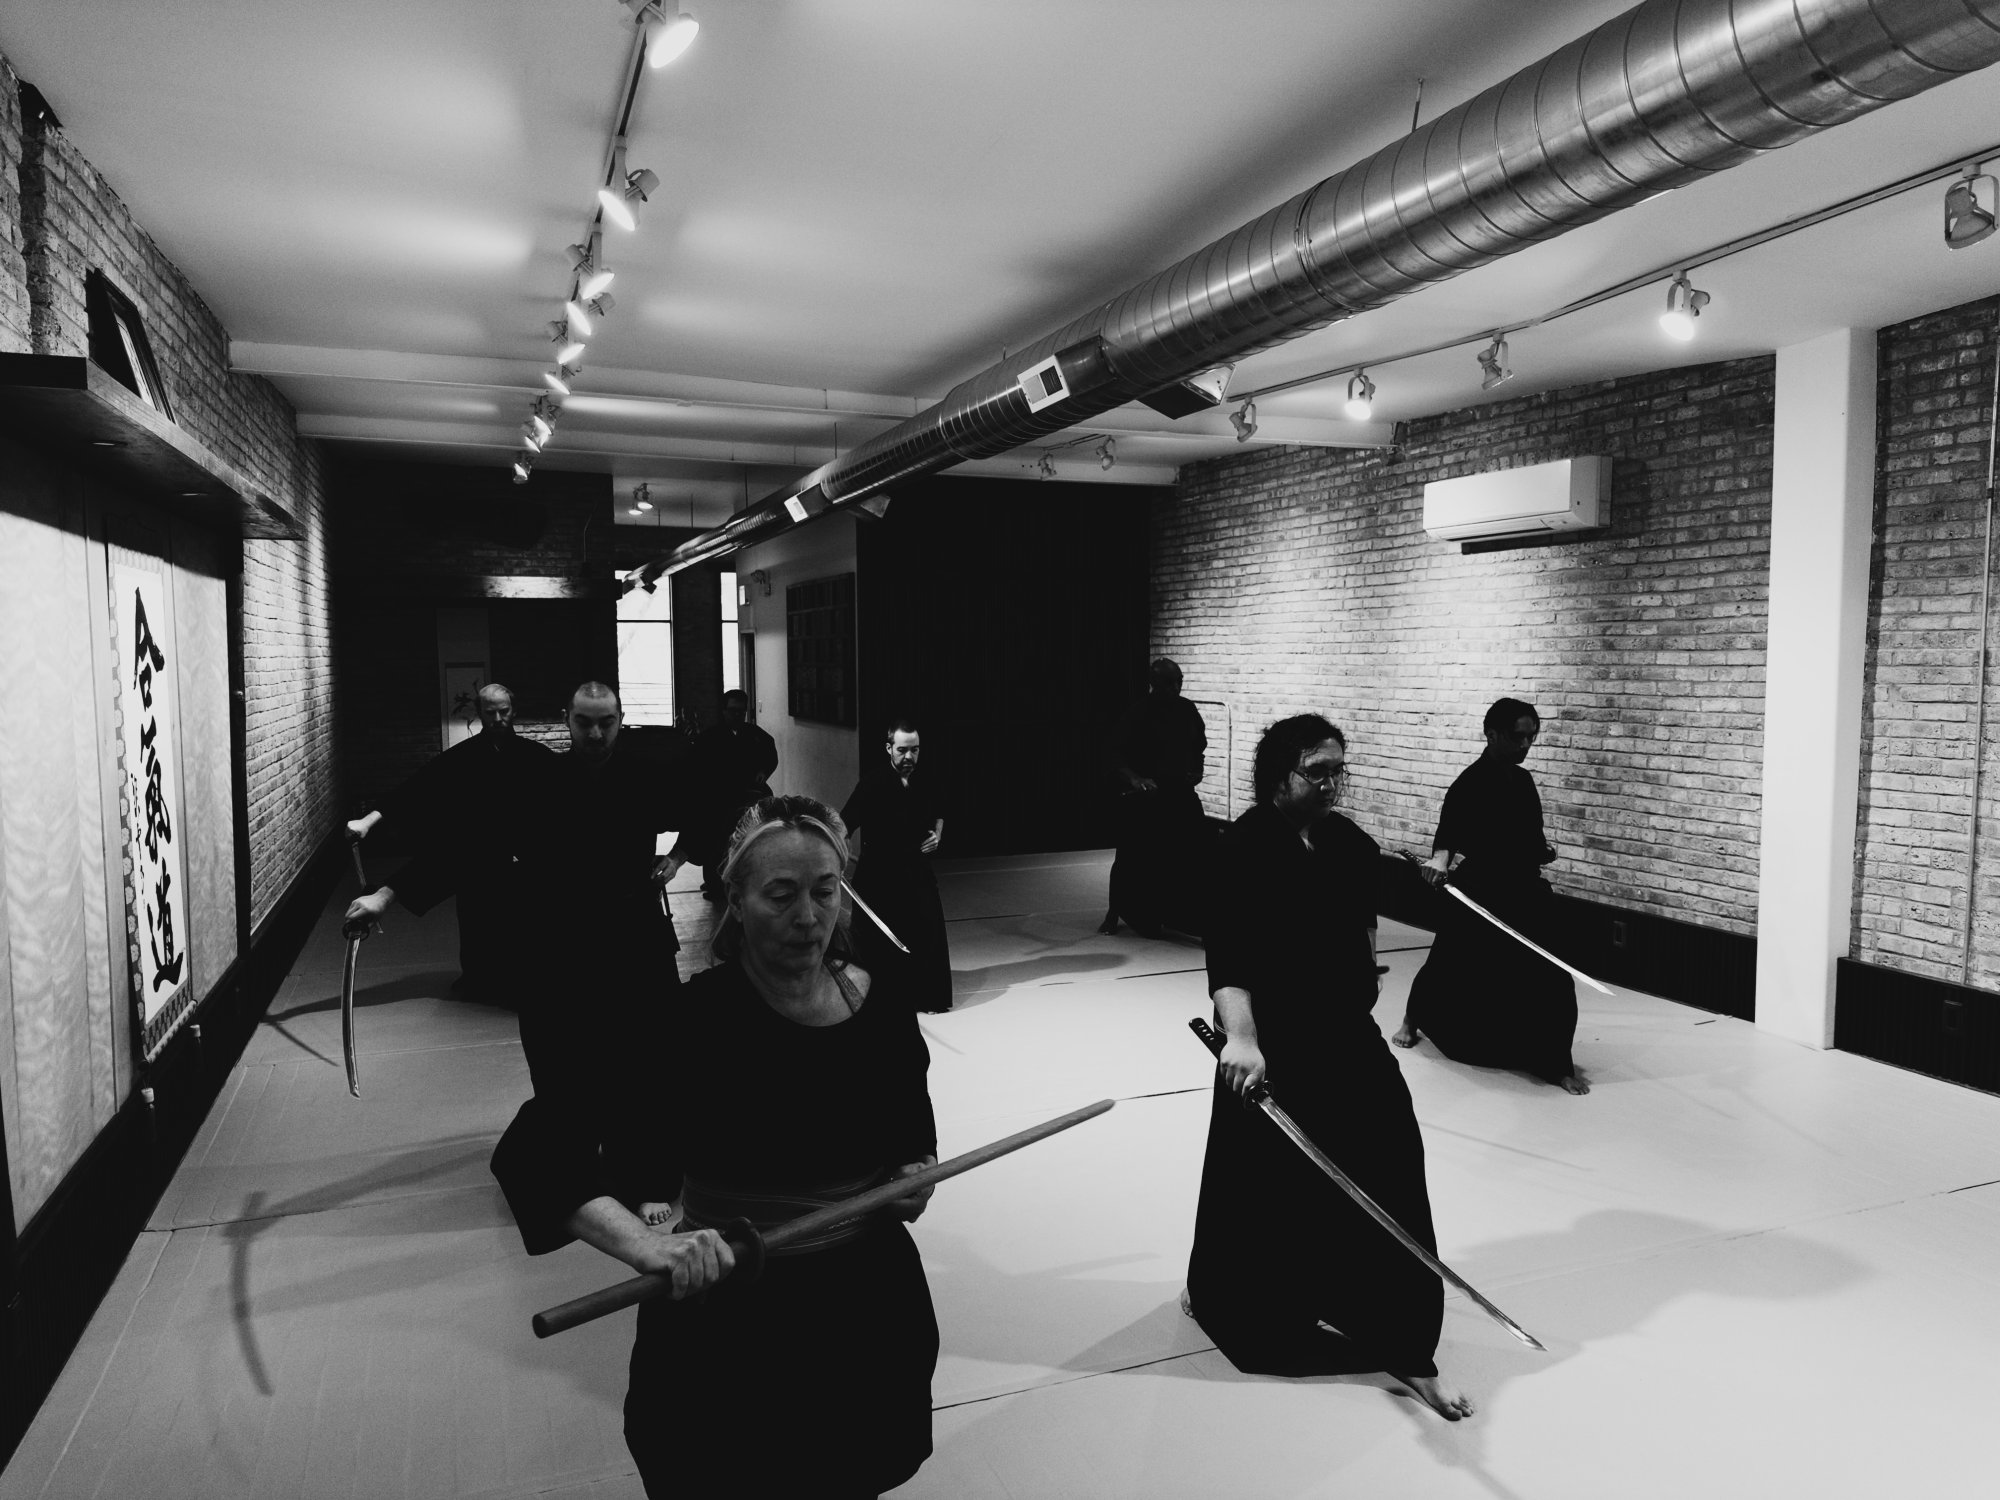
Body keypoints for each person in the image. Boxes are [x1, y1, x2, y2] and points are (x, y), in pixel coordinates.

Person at [490, 795, 940, 1498]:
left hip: (866, 1308)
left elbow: (911, 1132)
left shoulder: (882, 1008)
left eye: (825, 892)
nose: (808, 917)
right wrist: (647, 1246)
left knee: (850, 1476)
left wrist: (915, 1176)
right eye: (781, 895)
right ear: (736, 900)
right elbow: (537, 1148)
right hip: (732, 1309)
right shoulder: (688, 1021)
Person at [1185, 713, 1473, 1421]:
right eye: (1317, 770)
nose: (1331, 782)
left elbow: (1366, 924)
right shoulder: (1240, 849)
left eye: (1338, 769)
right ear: (1278, 774)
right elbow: (1229, 959)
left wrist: (1367, 971)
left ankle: (1409, 1347)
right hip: (1272, 1045)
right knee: (1261, 1184)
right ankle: (1224, 1294)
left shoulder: (1349, 843)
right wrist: (1241, 1039)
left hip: (1347, 1037)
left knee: (1392, 1166)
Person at [347, 682, 695, 1096]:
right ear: (567, 719)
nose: (595, 734)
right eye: (584, 722)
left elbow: (702, 811)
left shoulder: (647, 776)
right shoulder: (542, 781)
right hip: (560, 942)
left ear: (620, 721)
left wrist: (677, 857)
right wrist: (386, 895)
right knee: (559, 1071)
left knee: (652, 1059)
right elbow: (474, 844)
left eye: (606, 723)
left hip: (633, 933)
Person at [1392, 697, 1587, 1095]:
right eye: (1518, 737)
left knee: (1551, 973)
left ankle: (1556, 1062)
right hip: (1480, 888)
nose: (1525, 745)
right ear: (1492, 734)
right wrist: (1439, 862)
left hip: (1525, 888)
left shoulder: (1524, 781)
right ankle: (1412, 1019)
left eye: (1532, 737)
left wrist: (1542, 852)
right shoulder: (1468, 783)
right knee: (1449, 961)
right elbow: (1447, 837)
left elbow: (1530, 837)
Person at [344, 682, 555, 1008]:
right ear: (479, 713)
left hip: (525, 858)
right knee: (474, 921)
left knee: (525, 928)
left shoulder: (537, 757)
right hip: (477, 856)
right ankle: (477, 977)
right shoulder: (463, 757)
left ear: (514, 711)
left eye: (504, 711)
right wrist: (368, 821)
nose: (498, 719)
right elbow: (415, 788)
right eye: (490, 712)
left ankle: (525, 978)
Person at [841, 718, 952, 1012]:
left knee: (926, 932)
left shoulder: (925, 779)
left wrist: (937, 834)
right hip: (878, 873)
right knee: (875, 942)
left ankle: (926, 997)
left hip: (916, 870)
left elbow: (940, 811)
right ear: (889, 748)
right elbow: (845, 823)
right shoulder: (872, 783)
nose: (909, 757)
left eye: (915, 750)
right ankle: (878, 999)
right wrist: (837, 854)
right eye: (902, 750)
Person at [1099, 657, 1210, 938]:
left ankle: (1189, 916)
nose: (1175, 688)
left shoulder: (1187, 709)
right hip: (1146, 796)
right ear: (1154, 683)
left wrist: (1197, 770)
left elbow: (1199, 746)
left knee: (1195, 851)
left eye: (1178, 682)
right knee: (1130, 857)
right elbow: (1114, 754)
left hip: (1179, 792)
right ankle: (1114, 913)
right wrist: (1136, 779)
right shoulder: (1138, 713)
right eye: (1169, 683)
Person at [689, 688, 778, 900]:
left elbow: (770, 756)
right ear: (724, 711)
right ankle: (715, 886)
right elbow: (697, 768)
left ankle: (746, 882)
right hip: (718, 799)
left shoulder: (757, 736)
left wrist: (763, 771)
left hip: (748, 796)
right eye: (733, 711)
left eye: (741, 711)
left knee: (746, 841)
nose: (737, 715)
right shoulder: (709, 738)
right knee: (716, 844)